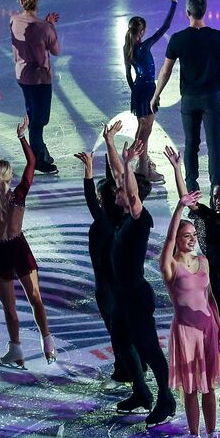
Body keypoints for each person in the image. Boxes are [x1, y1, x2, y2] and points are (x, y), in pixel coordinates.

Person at [165, 143, 220, 409]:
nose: (218, 201)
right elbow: (186, 200)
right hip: (212, 285)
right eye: (216, 196)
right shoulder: (206, 217)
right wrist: (177, 168)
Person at [0, 117, 54, 369]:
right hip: (19, 248)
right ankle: (48, 344)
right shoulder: (19, 194)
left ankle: (16, 349)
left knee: (10, 307)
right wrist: (22, 137)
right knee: (35, 298)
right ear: (10, 176)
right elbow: (32, 162)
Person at [162, 191, 220, 438]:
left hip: (208, 331)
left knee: (209, 389)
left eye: (193, 235)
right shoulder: (170, 265)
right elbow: (166, 241)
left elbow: (210, 298)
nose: (192, 239)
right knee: (190, 389)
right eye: (186, 235)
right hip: (186, 335)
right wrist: (180, 207)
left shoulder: (203, 262)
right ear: (177, 240)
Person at [111, 138, 176, 426]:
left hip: (136, 295)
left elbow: (132, 192)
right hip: (122, 296)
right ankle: (141, 392)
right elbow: (117, 175)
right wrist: (111, 145)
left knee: (148, 347)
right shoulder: (124, 215)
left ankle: (166, 398)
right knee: (122, 343)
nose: (117, 189)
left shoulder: (140, 219)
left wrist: (128, 164)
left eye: (123, 188)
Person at [150, 0, 220, 193]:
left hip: (189, 99)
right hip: (212, 98)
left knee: (191, 144)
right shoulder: (219, 37)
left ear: (187, 12)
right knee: (215, 146)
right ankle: (217, 191)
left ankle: (191, 189)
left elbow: (166, 70)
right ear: (204, 11)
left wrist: (156, 95)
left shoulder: (178, 39)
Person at [75, 121, 138, 388]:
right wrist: (111, 145)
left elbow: (100, 194)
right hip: (117, 285)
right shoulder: (116, 220)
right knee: (122, 331)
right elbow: (119, 179)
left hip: (109, 287)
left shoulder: (105, 222)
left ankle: (128, 370)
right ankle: (128, 367)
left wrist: (89, 170)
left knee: (117, 331)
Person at [123, 0, 177, 182]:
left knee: (144, 127)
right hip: (147, 90)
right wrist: (174, 4)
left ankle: (140, 162)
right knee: (146, 129)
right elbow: (165, 27)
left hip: (138, 90)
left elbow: (128, 74)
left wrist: (135, 92)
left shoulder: (126, 47)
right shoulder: (144, 46)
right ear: (143, 31)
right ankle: (137, 163)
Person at [9, 0, 61, 175]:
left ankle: (40, 150)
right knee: (39, 120)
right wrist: (50, 27)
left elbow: (28, 37)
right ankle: (37, 158)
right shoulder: (45, 27)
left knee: (34, 116)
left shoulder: (13, 19)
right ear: (36, 1)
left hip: (22, 75)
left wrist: (45, 25)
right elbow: (55, 51)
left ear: (20, 2)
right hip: (40, 79)